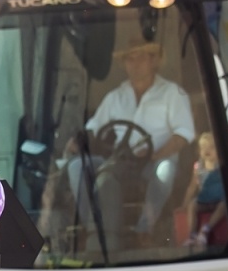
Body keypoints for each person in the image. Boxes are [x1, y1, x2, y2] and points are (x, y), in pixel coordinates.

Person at [65, 39, 195, 250]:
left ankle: (145, 229)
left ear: (154, 61)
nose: (134, 64)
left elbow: (184, 133)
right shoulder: (115, 97)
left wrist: (155, 154)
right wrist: (78, 142)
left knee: (165, 171)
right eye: (129, 59)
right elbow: (94, 127)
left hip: (155, 161)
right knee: (76, 166)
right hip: (120, 161)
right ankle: (92, 227)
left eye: (140, 58)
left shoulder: (172, 93)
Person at [182, 131, 228, 251]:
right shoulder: (198, 167)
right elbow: (192, 187)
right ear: (199, 151)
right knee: (192, 205)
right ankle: (192, 235)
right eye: (203, 147)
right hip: (205, 200)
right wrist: (184, 204)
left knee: (225, 205)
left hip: (219, 200)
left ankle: (205, 229)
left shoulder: (221, 165)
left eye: (212, 147)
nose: (207, 150)